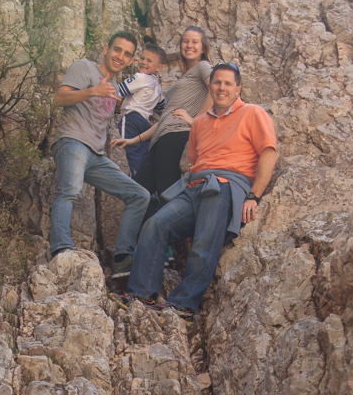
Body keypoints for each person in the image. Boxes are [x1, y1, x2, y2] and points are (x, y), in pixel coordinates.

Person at [115, 62, 278, 322]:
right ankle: (141, 294)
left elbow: (269, 153)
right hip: (194, 186)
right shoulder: (200, 122)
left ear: (238, 88)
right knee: (155, 224)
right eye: (217, 82)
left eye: (227, 83)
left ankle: (182, 305)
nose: (221, 87)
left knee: (204, 241)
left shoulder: (252, 113)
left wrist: (254, 196)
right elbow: (194, 159)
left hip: (225, 186)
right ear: (210, 86)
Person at [110, 26, 213, 276]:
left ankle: (161, 251)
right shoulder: (182, 78)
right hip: (160, 138)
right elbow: (163, 117)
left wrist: (196, 121)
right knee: (140, 192)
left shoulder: (203, 68)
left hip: (177, 135)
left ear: (203, 47)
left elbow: (217, 88)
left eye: (195, 42)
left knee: (166, 191)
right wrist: (136, 139)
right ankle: (128, 253)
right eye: (185, 41)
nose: (189, 45)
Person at [48, 30, 150, 258]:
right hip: (73, 141)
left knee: (139, 195)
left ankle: (123, 255)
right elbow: (59, 98)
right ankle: (61, 249)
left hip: (96, 156)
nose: (120, 56)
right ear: (106, 49)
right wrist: (94, 90)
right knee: (70, 191)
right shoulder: (85, 68)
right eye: (116, 49)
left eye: (126, 54)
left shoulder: (114, 87)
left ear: (130, 61)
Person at [114, 44, 166, 179]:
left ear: (159, 67)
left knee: (128, 149)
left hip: (131, 118)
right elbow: (161, 106)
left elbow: (119, 89)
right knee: (142, 155)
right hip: (145, 124)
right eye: (142, 58)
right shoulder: (157, 87)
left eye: (149, 61)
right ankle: (143, 180)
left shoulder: (140, 77)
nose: (143, 62)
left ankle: (133, 179)